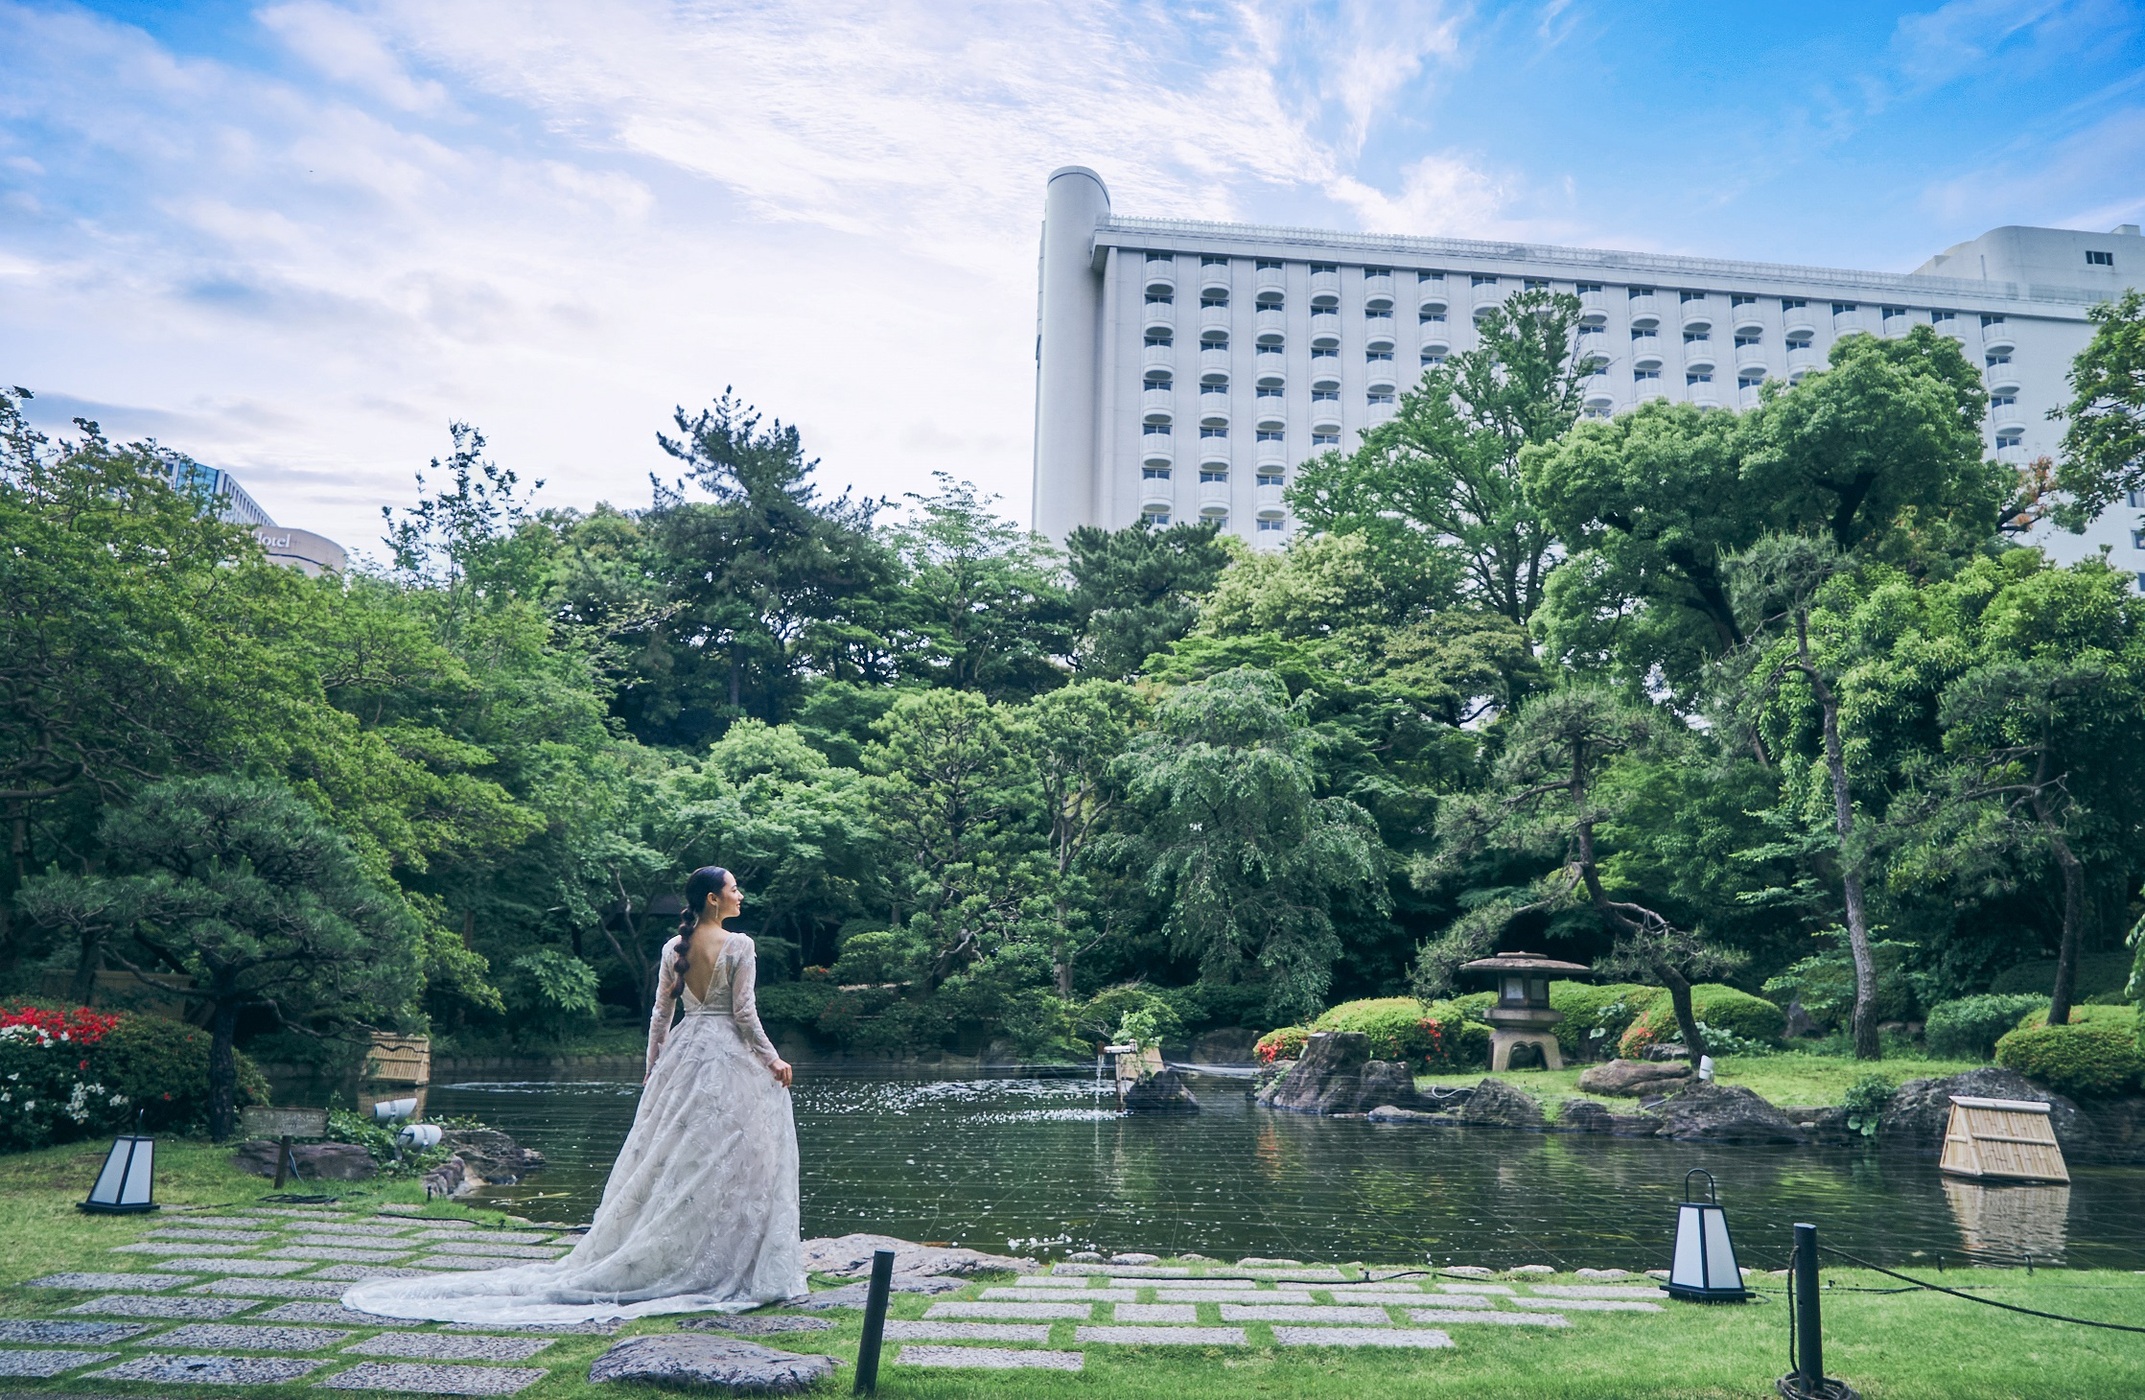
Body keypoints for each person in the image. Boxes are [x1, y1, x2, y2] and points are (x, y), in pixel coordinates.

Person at [344, 866, 807, 1324]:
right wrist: (773, 1060)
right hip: (727, 1058)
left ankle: (689, 1251)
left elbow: (660, 1017)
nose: (739, 894)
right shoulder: (739, 945)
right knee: (730, 1160)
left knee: (677, 1162)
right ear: (712, 898)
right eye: (733, 889)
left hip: (684, 1058)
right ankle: (726, 1257)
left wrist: (654, 1070)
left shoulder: (674, 947)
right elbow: (743, 1013)